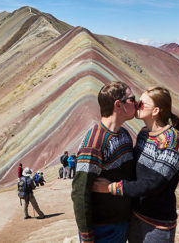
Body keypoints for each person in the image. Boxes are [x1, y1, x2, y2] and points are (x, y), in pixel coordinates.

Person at [93, 87, 179, 243]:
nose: (136, 104)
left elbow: (154, 183)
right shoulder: (144, 134)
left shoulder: (173, 140)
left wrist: (111, 188)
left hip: (157, 223)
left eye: (142, 103)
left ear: (155, 111)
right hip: (135, 216)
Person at [71, 81, 137, 243]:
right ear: (118, 105)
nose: (136, 103)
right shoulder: (94, 143)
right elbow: (80, 192)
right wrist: (87, 236)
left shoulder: (124, 135)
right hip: (103, 230)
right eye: (131, 99)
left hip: (122, 223)